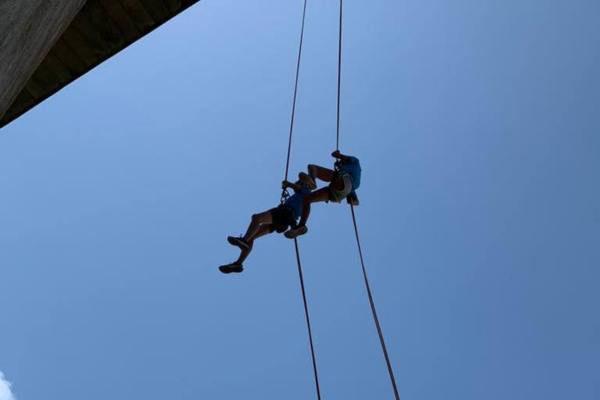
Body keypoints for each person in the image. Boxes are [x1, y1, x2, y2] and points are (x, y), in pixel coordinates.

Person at [219, 172, 317, 274]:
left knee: (256, 218)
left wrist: (287, 183)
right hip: (285, 220)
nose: (298, 183)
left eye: (299, 182)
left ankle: (244, 240)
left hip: (284, 213)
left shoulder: (307, 190)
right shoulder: (300, 196)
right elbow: (297, 190)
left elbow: (298, 188)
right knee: (253, 236)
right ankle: (238, 263)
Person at [284, 150, 361, 239]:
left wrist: (338, 154)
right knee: (306, 199)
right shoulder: (356, 179)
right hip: (338, 194)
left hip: (343, 180)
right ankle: (301, 225)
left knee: (312, 167)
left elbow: (335, 154)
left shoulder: (355, 161)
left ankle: (312, 180)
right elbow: (355, 202)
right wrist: (351, 200)